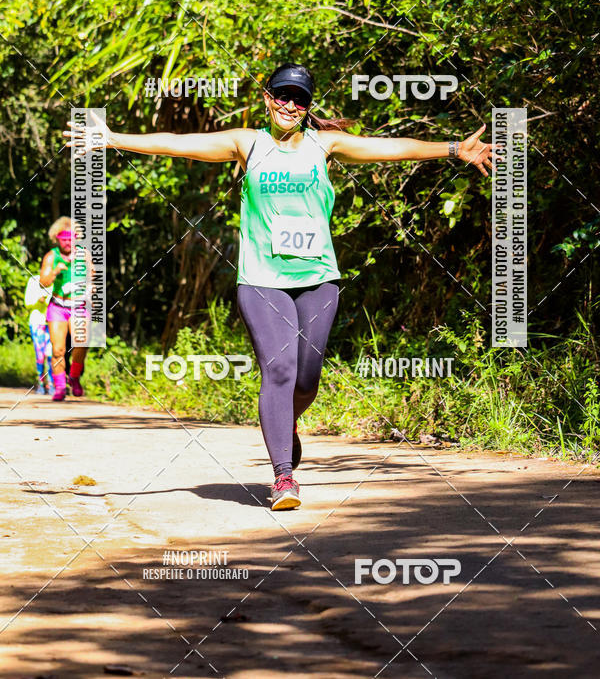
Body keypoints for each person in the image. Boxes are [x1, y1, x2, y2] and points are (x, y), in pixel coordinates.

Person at [64, 63, 497, 509]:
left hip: (318, 279)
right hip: (261, 280)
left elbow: (389, 148)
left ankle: (285, 422)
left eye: (300, 98)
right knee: (280, 371)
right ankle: (283, 479)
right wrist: (113, 138)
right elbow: (178, 145)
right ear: (268, 97)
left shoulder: (324, 144)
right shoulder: (246, 144)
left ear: (308, 107)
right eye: (282, 95)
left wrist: (452, 149)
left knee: (306, 379)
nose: (290, 104)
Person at [39, 217, 92, 402]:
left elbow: (94, 277)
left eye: (71, 238)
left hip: (78, 306)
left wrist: (91, 288)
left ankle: (75, 377)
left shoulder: (84, 255)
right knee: (58, 350)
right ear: (56, 238)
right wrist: (55, 272)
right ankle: (60, 387)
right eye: (64, 239)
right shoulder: (52, 256)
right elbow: (43, 282)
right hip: (58, 307)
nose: (68, 242)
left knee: (82, 342)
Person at [24, 273, 54, 395]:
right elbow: (27, 303)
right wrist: (38, 300)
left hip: (53, 322)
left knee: (52, 354)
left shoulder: (56, 281)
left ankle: (52, 384)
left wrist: (47, 301)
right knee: (40, 355)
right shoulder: (33, 280)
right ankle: (41, 383)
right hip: (37, 322)